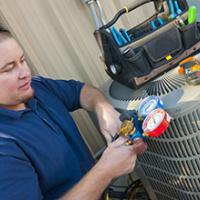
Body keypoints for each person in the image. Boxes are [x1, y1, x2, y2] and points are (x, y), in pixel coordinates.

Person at [0, 28, 147, 200]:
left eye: (22, 60)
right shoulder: (4, 147)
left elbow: (80, 91)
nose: (25, 73)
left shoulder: (37, 87)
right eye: (8, 69)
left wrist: (102, 108)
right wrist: (105, 171)